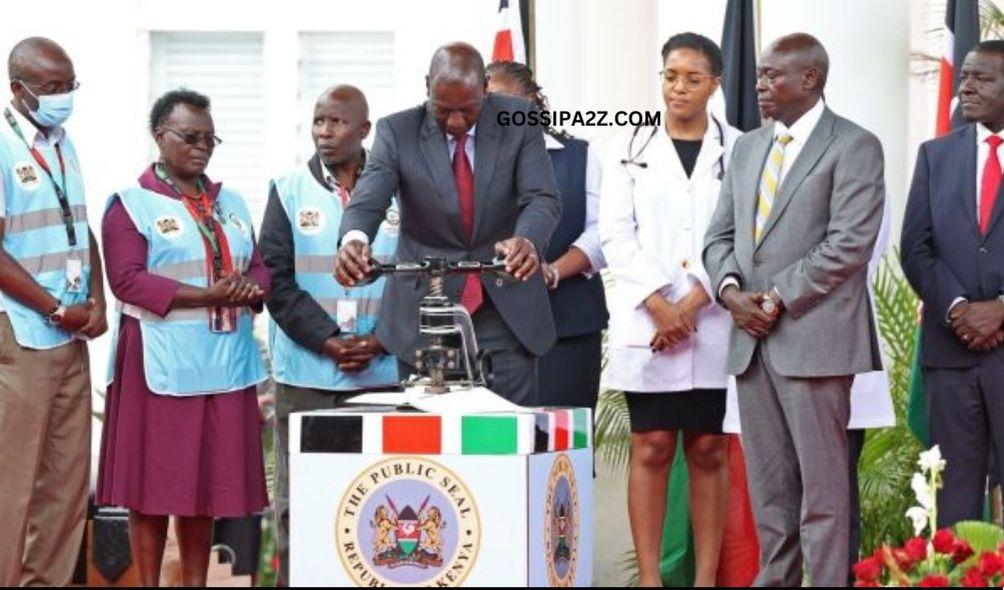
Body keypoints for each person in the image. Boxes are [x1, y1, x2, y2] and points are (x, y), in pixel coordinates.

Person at [702, 33, 884, 586]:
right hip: (752, 344)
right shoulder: (748, 147)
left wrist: (776, 297)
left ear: (811, 78)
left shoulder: (854, 145)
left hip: (814, 341)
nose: (759, 86)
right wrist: (731, 293)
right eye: (758, 75)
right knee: (771, 493)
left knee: (824, 496)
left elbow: (850, 243)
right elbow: (719, 237)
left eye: (772, 76)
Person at [96, 89, 270, 587]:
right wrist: (209, 294)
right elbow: (127, 280)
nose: (202, 147)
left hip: (225, 361)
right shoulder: (131, 205)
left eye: (209, 138)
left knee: (206, 485)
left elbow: (258, 265)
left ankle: (195, 582)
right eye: (189, 137)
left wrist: (250, 286)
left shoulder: (231, 202)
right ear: (159, 136)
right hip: (161, 363)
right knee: (154, 487)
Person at [334, 42, 561, 405]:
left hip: (505, 307)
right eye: (443, 110)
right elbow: (369, 199)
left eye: (468, 110)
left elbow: (541, 197)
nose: (455, 122)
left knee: (509, 442)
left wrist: (527, 240)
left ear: (485, 87)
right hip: (424, 312)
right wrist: (354, 239)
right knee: (430, 444)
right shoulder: (397, 131)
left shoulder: (520, 119)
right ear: (427, 87)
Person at [599, 33, 740, 587]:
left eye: (692, 78)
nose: (678, 87)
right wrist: (662, 304)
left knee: (708, 447)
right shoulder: (629, 145)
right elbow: (615, 234)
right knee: (652, 444)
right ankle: (653, 581)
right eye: (670, 75)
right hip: (647, 317)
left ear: (715, 84)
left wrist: (694, 301)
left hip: (713, 315)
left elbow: (739, 237)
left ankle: (706, 580)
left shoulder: (740, 147)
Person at [259, 84, 399, 585]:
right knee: (301, 505)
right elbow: (272, 277)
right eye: (318, 120)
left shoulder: (398, 190)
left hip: (380, 375)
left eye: (337, 122)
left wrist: (383, 338)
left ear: (364, 130)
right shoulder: (288, 188)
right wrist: (327, 339)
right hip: (307, 374)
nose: (324, 131)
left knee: (374, 501)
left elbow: (423, 274)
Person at [0, 36, 107, 587]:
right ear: (18, 89)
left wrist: (98, 299)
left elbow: (77, 225)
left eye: (69, 86)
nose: (64, 96)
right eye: (52, 88)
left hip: (69, 335)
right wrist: (52, 306)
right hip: (21, 333)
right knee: (13, 484)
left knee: (65, 484)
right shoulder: (3, 144)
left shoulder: (62, 142)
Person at [901, 40, 1004, 528]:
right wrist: (960, 308)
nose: (966, 86)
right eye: (964, 76)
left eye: (982, 78)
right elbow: (915, 249)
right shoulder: (934, 156)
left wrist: (1001, 308)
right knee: (957, 505)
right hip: (952, 352)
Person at [485, 61, 607, 409]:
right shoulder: (470, 161)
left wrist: (552, 271)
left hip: (567, 323)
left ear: (535, 101)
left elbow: (603, 232)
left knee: (565, 443)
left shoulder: (578, 156)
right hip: (493, 326)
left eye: (509, 101)